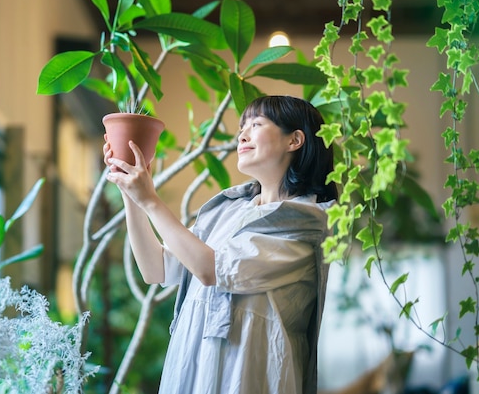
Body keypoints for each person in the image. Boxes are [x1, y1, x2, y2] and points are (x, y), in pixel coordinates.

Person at [104, 95, 338, 394]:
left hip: (249, 368)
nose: (242, 134)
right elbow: (157, 269)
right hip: (195, 360)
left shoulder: (305, 222)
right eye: (242, 126)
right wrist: (130, 192)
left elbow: (211, 269)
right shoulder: (226, 210)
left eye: (256, 124)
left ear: (295, 140)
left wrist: (149, 199)